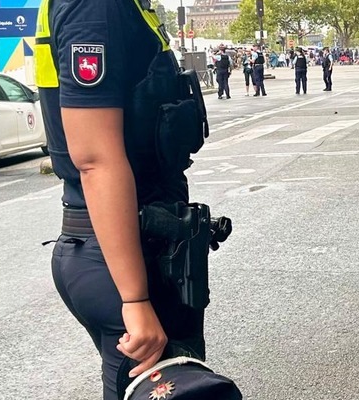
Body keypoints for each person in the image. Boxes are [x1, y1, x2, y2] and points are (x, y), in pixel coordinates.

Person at [34, 0, 213, 398]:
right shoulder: (95, 7)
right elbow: (95, 160)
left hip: (129, 245)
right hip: (124, 253)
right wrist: (134, 298)